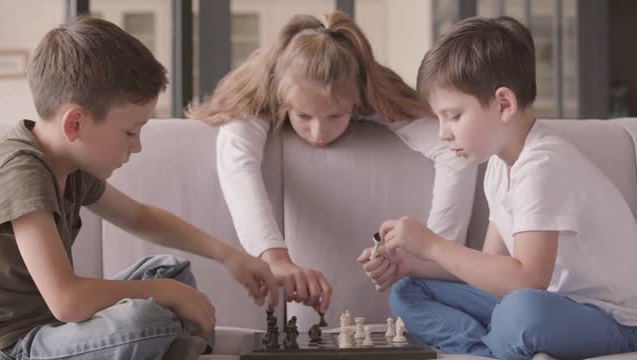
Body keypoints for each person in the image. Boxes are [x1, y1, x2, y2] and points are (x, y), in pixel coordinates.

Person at [0, 16, 278, 360]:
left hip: (52, 328)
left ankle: (170, 343)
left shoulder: (70, 165)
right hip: (16, 345)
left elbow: (141, 218)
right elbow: (66, 300)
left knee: (171, 270)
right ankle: (174, 342)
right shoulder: (22, 170)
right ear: (76, 123)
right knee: (142, 318)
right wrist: (165, 294)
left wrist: (230, 256)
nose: (138, 146)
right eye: (130, 132)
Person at [362, 16, 637, 359]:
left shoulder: (542, 166)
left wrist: (431, 245)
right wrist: (410, 263)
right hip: (551, 305)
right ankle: (490, 348)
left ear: (503, 104)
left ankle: (504, 340)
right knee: (406, 291)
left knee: (521, 309)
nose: (442, 133)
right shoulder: (498, 165)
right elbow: (490, 265)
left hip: (613, 320)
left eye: (453, 116)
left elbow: (527, 279)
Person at [186, 11, 477, 315]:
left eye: (336, 116)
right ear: (280, 97)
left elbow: (454, 147)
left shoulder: (372, 90)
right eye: (302, 116)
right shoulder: (259, 91)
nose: (319, 133)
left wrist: (437, 253)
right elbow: (237, 161)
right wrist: (274, 257)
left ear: (358, 101)